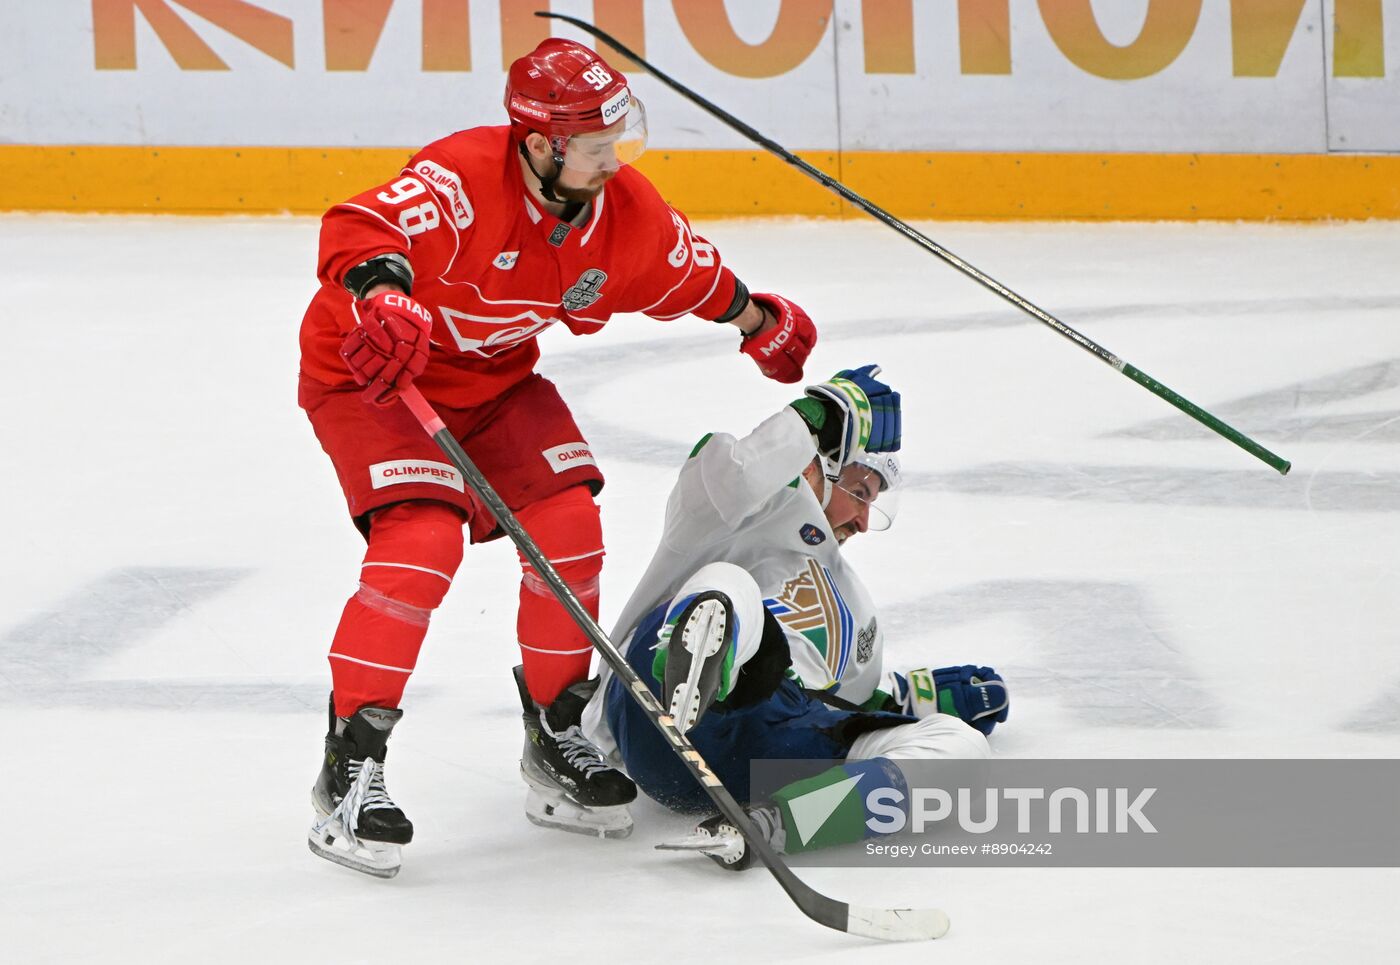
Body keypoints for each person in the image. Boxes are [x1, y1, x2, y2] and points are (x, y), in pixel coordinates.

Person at [298, 37, 817, 877]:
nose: (615, 160)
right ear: (540, 144)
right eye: (595, 145)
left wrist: (758, 321)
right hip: (378, 380)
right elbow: (362, 225)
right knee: (420, 540)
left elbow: (687, 274)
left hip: (495, 385)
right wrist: (383, 292)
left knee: (569, 523)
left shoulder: (623, 212)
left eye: (621, 138)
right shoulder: (464, 180)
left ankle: (556, 731)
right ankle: (350, 765)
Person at [577, 365, 1009, 867]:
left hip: (769, 755)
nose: (866, 520)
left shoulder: (854, 604)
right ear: (814, 470)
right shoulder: (724, 515)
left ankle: (774, 825)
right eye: (861, 492)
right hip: (650, 718)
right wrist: (812, 419)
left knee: (966, 751)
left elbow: (854, 699)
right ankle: (692, 685)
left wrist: (919, 697)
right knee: (728, 586)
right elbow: (735, 470)